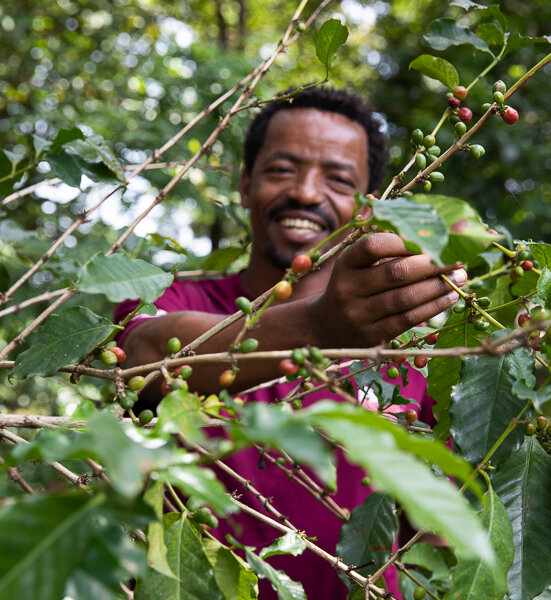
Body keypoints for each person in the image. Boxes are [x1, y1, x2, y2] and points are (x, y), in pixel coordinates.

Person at [115, 87, 466, 598]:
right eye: (282, 169)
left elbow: (434, 533)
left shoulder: (414, 359)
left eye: (338, 179)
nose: (304, 192)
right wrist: (322, 327)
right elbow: (143, 354)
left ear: (368, 209)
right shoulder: (169, 295)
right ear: (244, 185)